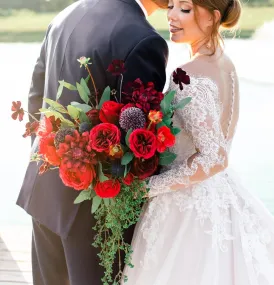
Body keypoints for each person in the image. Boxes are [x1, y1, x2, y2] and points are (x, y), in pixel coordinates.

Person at [122, 0, 274, 284]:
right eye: (171, 5)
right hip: (221, 192)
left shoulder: (186, 76)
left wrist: (146, 187)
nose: (171, 15)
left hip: (187, 205)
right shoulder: (224, 62)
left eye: (184, 9)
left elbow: (215, 159)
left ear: (212, 18)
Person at [16, 0, 169, 284]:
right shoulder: (144, 39)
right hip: (95, 214)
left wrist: (50, 157)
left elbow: (37, 97)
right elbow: (139, 144)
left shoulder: (69, 12)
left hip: (44, 189)